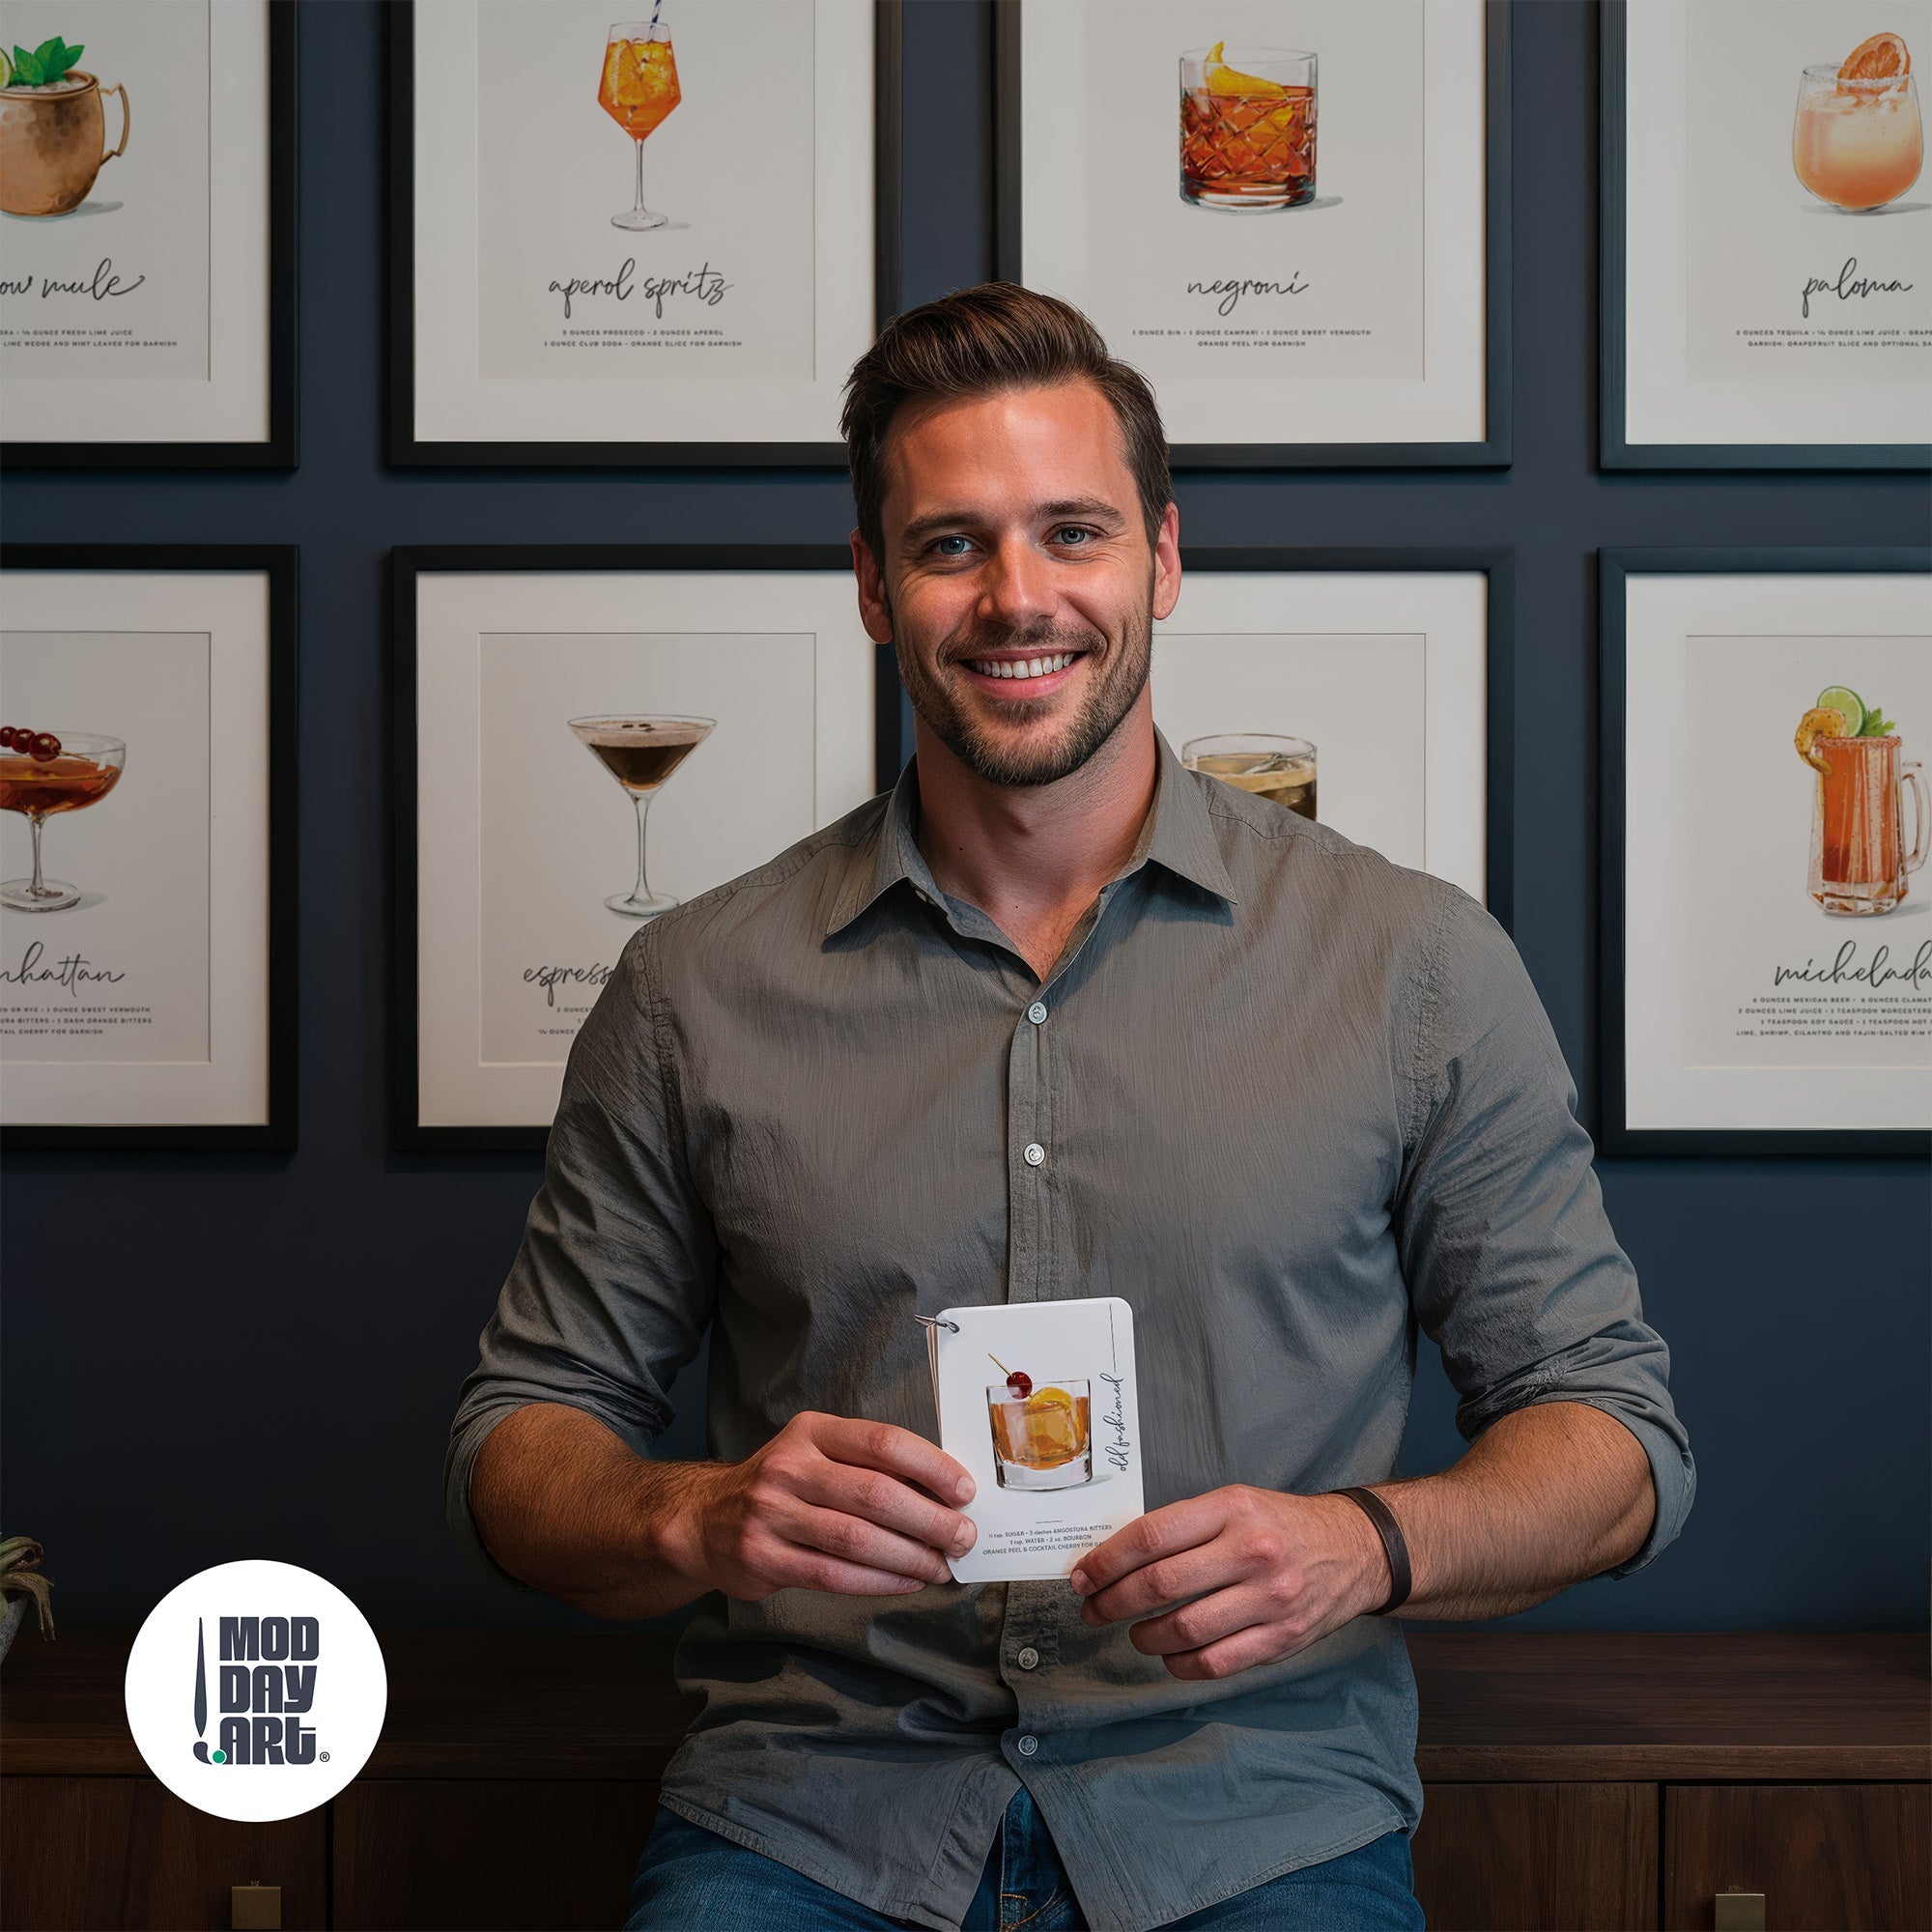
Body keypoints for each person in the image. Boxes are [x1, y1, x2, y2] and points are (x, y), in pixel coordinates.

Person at [444, 283, 1694, 1932]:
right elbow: (517, 1444)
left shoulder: (1415, 967)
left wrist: (1362, 1546)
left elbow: (1613, 1441)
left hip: (1256, 1826)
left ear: (1164, 560)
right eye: (952, 544)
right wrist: (692, 1513)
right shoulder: (689, 988)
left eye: (1074, 533)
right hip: (811, 1822)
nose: (1018, 597)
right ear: (875, 588)